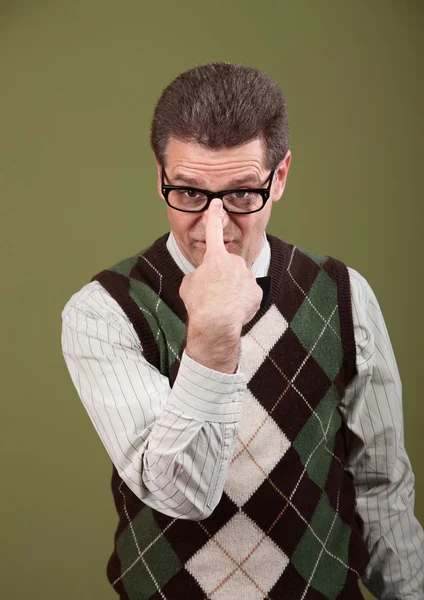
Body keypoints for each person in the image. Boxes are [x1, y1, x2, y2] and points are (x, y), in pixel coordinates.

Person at [61, 62, 424, 600]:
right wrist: (210, 335)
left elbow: (380, 485)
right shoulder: (103, 311)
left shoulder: (344, 295)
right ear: (160, 176)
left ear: (278, 178)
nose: (215, 227)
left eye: (240, 194)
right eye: (187, 193)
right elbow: (181, 493)